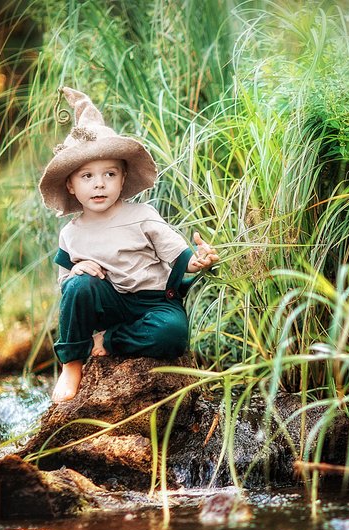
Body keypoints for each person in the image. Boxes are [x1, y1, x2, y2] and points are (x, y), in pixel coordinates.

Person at [38, 87, 219, 402]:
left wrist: (199, 260)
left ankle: (108, 341)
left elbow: (178, 257)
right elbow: (68, 292)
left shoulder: (143, 215)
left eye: (109, 174)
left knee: (173, 334)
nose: (99, 184)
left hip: (153, 303)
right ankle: (71, 364)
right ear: (70, 185)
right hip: (108, 303)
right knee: (79, 285)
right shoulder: (71, 233)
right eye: (87, 176)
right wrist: (78, 269)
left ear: (122, 179)